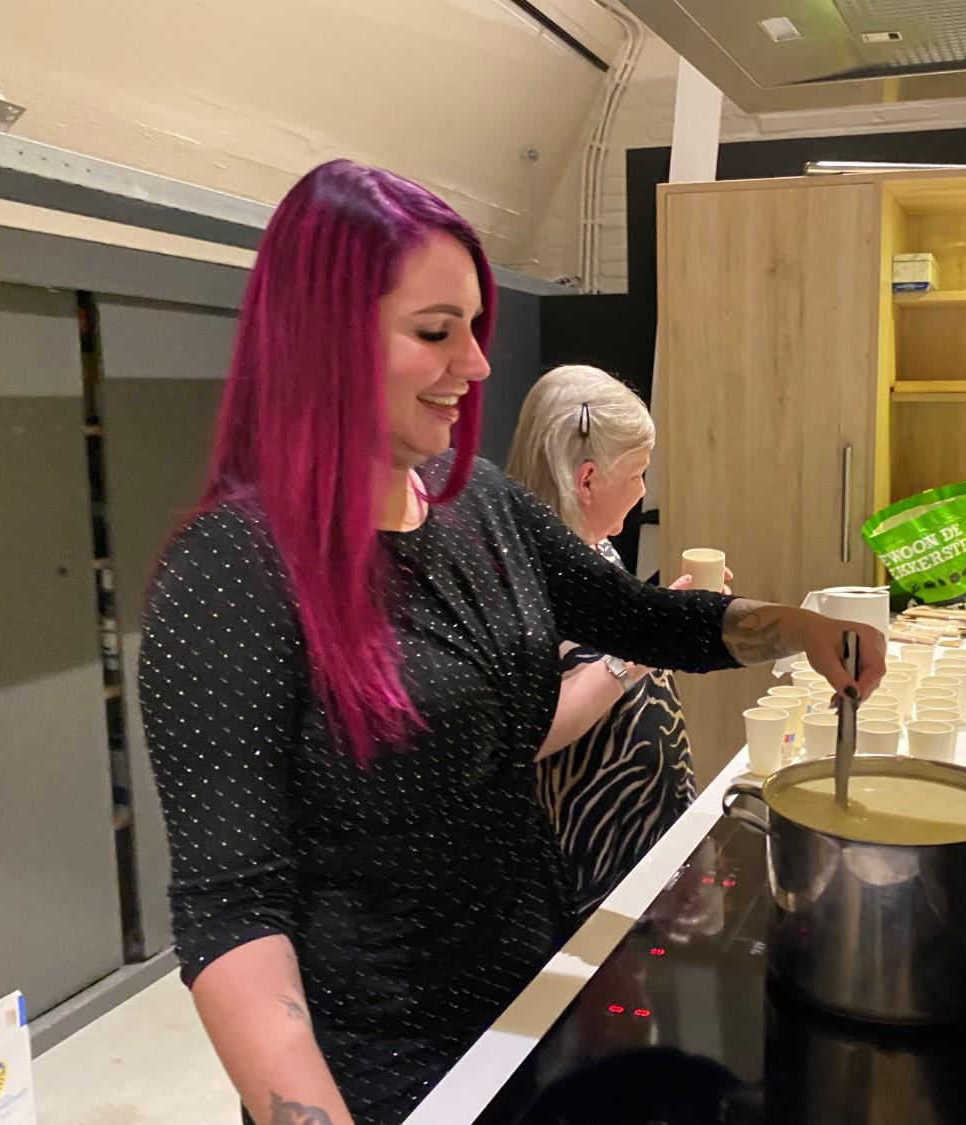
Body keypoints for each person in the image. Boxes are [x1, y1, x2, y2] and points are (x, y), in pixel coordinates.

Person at [137, 159, 885, 1125]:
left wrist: (799, 629)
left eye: (476, 327)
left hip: (531, 1010)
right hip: (381, 1070)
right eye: (436, 331)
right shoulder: (230, 571)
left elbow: (642, 618)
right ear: (324, 337)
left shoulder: (476, 501)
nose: (478, 362)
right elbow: (233, 912)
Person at [505, 364, 718, 915]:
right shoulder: (521, 572)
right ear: (588, 481)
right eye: (639, 473)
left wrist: (671, 619)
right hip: (587, 855)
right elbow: (531, 733)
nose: (644, 490)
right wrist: (642, 648)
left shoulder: (594, 548)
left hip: (643, 830)